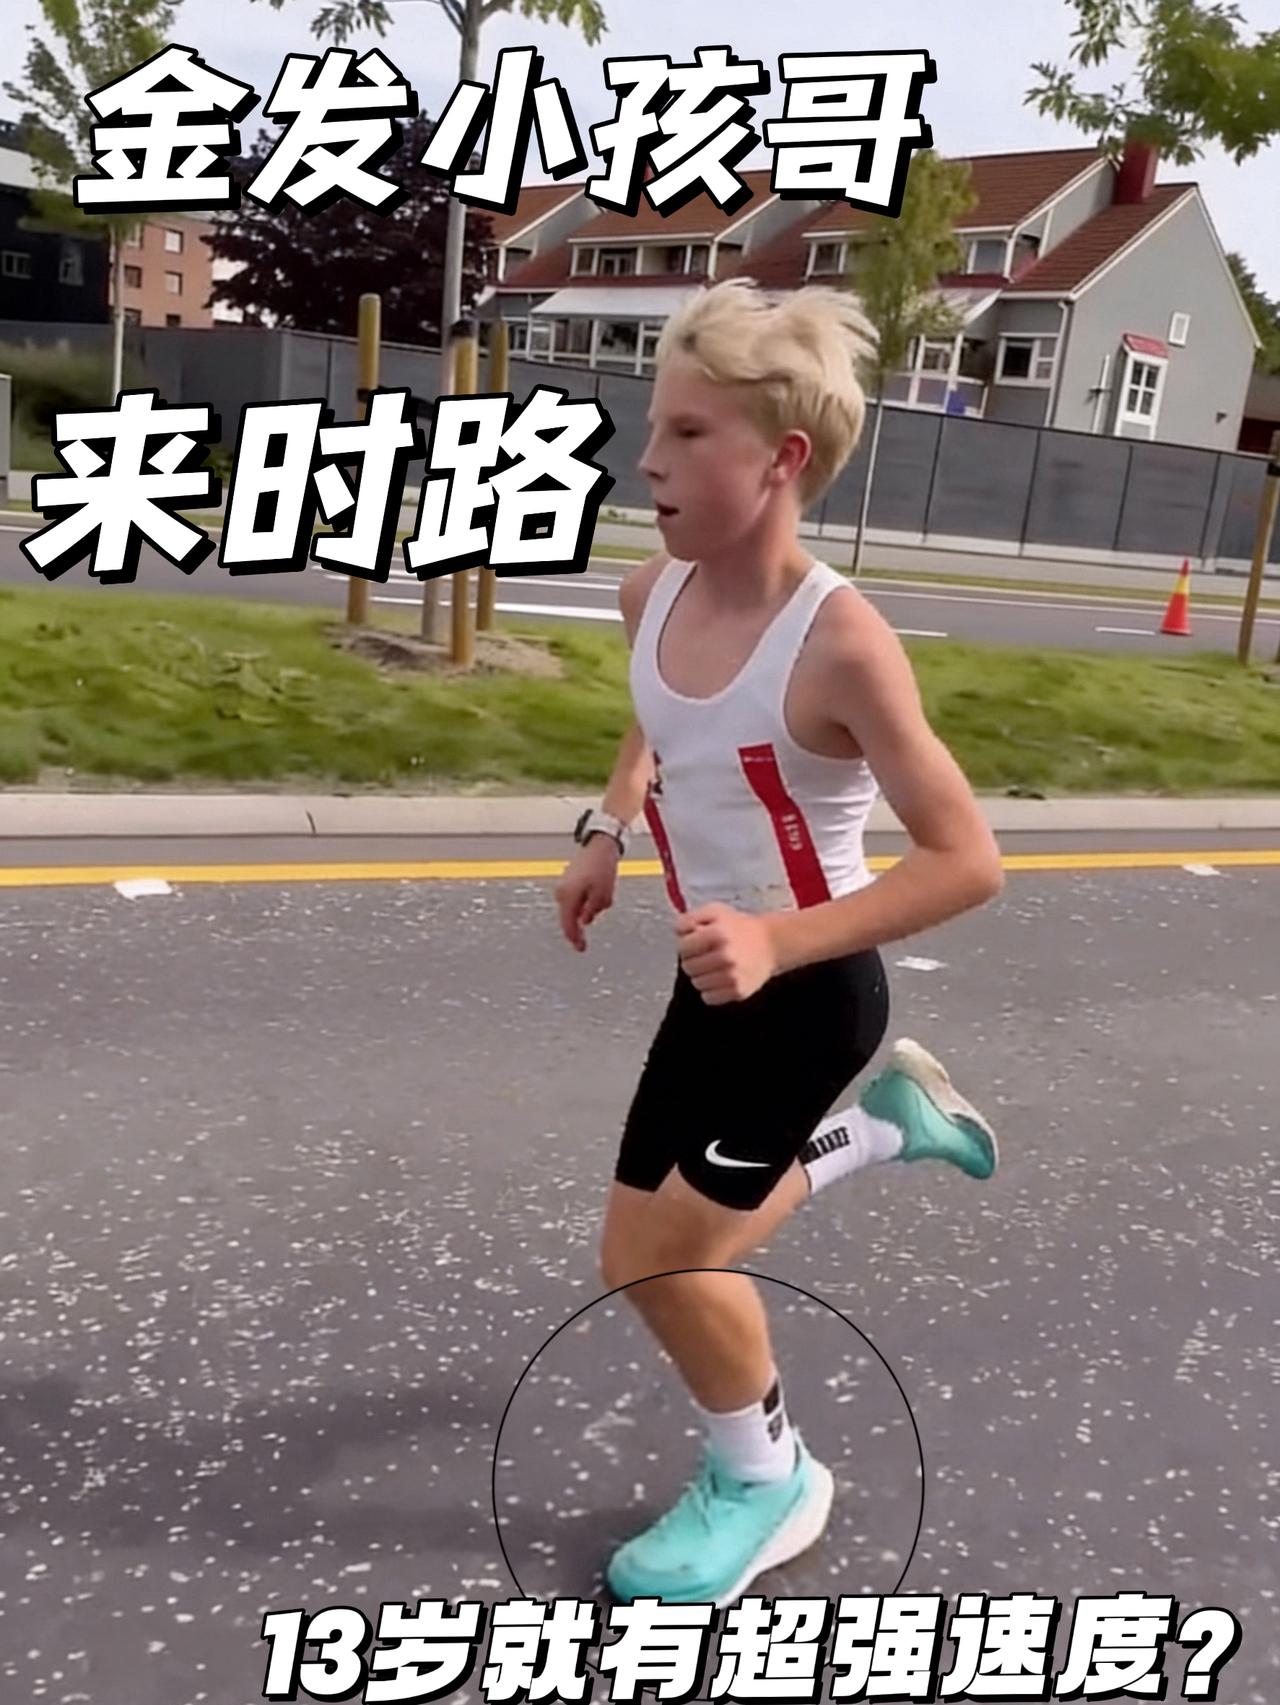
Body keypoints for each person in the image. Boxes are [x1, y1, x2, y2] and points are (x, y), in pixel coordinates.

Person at [553, 278, 1005, 1609]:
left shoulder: (842, 645)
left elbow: (968, 859)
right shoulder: (651, 593)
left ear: (781, 459)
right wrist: (605, 831)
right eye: (654, 425)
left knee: (674, 1259)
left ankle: (768, 1482)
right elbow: (657, 721)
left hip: (810, 993)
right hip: (713, 979)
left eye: (691, 433)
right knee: (631, 1256)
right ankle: (889, 1130)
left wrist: (775, 935)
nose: (649, 458)